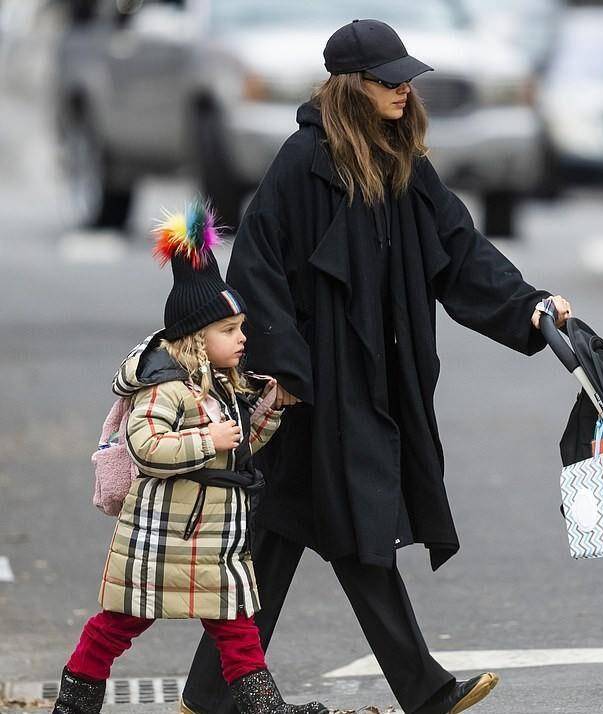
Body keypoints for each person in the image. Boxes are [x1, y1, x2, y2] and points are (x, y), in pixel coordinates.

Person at [180, 20, 574, 714]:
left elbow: (461, 249)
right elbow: (257, 270)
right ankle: (423, 691)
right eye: (387, 79)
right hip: (306, 386)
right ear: (347, 87)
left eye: (405, 78)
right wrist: (285, 373)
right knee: (348, 526)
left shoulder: (403, 164)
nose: (402, 88)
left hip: (362, 381)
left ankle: (208, 694)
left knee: (286, 530)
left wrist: (530, 304)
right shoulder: (302, 164)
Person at [51, 202, 327, 714]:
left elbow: (241, 444)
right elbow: (147, 447)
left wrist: (266, 413)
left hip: (211, 537)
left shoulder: (222, 386)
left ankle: (266, 710)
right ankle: (73, 703)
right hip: (162, 535)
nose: (243, 338)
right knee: (116, 624)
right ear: (196, 337)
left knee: (238, 629)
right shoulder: (166, 388)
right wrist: (208, 441)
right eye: (230, 330)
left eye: (242, 326)